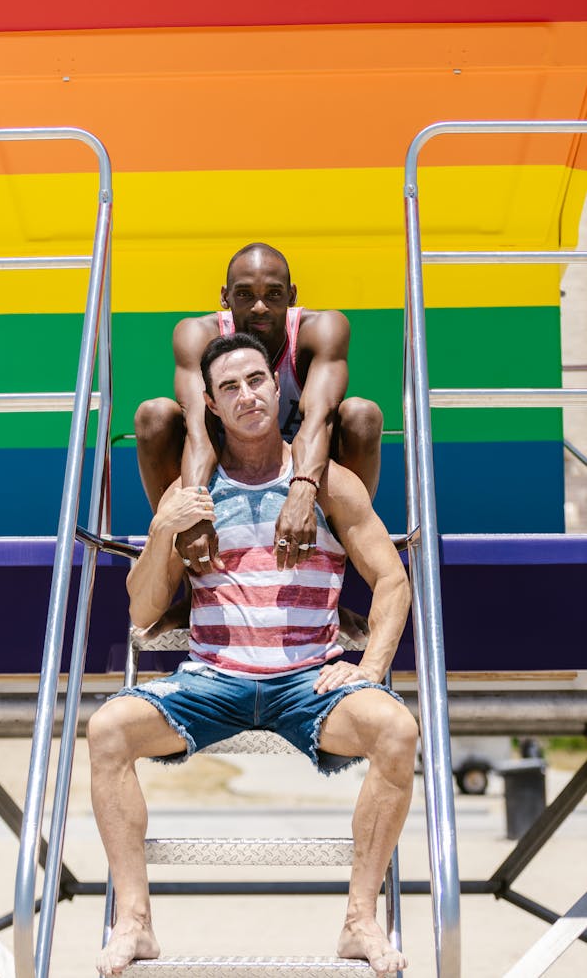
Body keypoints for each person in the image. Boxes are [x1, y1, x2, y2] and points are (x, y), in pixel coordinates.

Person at [89, 333, 417, 977]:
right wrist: (164, 527)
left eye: (257, 380)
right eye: (230, 388)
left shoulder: (327, 484)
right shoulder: (193, 492)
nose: (247, 396)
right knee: (106, 731)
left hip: (306, 683)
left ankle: (359, 921)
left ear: (278, 388)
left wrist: (371, 669)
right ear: (210, 405)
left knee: (398, 730)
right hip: (213, 678)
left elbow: (392, 580)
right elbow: (142, 613)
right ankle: (135, 923)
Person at [134, 242, 383, 575]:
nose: (260, 307)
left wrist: (302, 493)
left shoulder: (321, 329)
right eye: (245, 295)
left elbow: (318, 421)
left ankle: (334, 567)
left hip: (304, 472)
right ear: (225, 296)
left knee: (362, 415)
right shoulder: (197, 334)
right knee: (155, 416)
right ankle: (187, 573)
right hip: (226, 477)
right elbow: (199, 432)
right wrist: (192, 517)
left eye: (274, 294)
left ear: (292, 295)